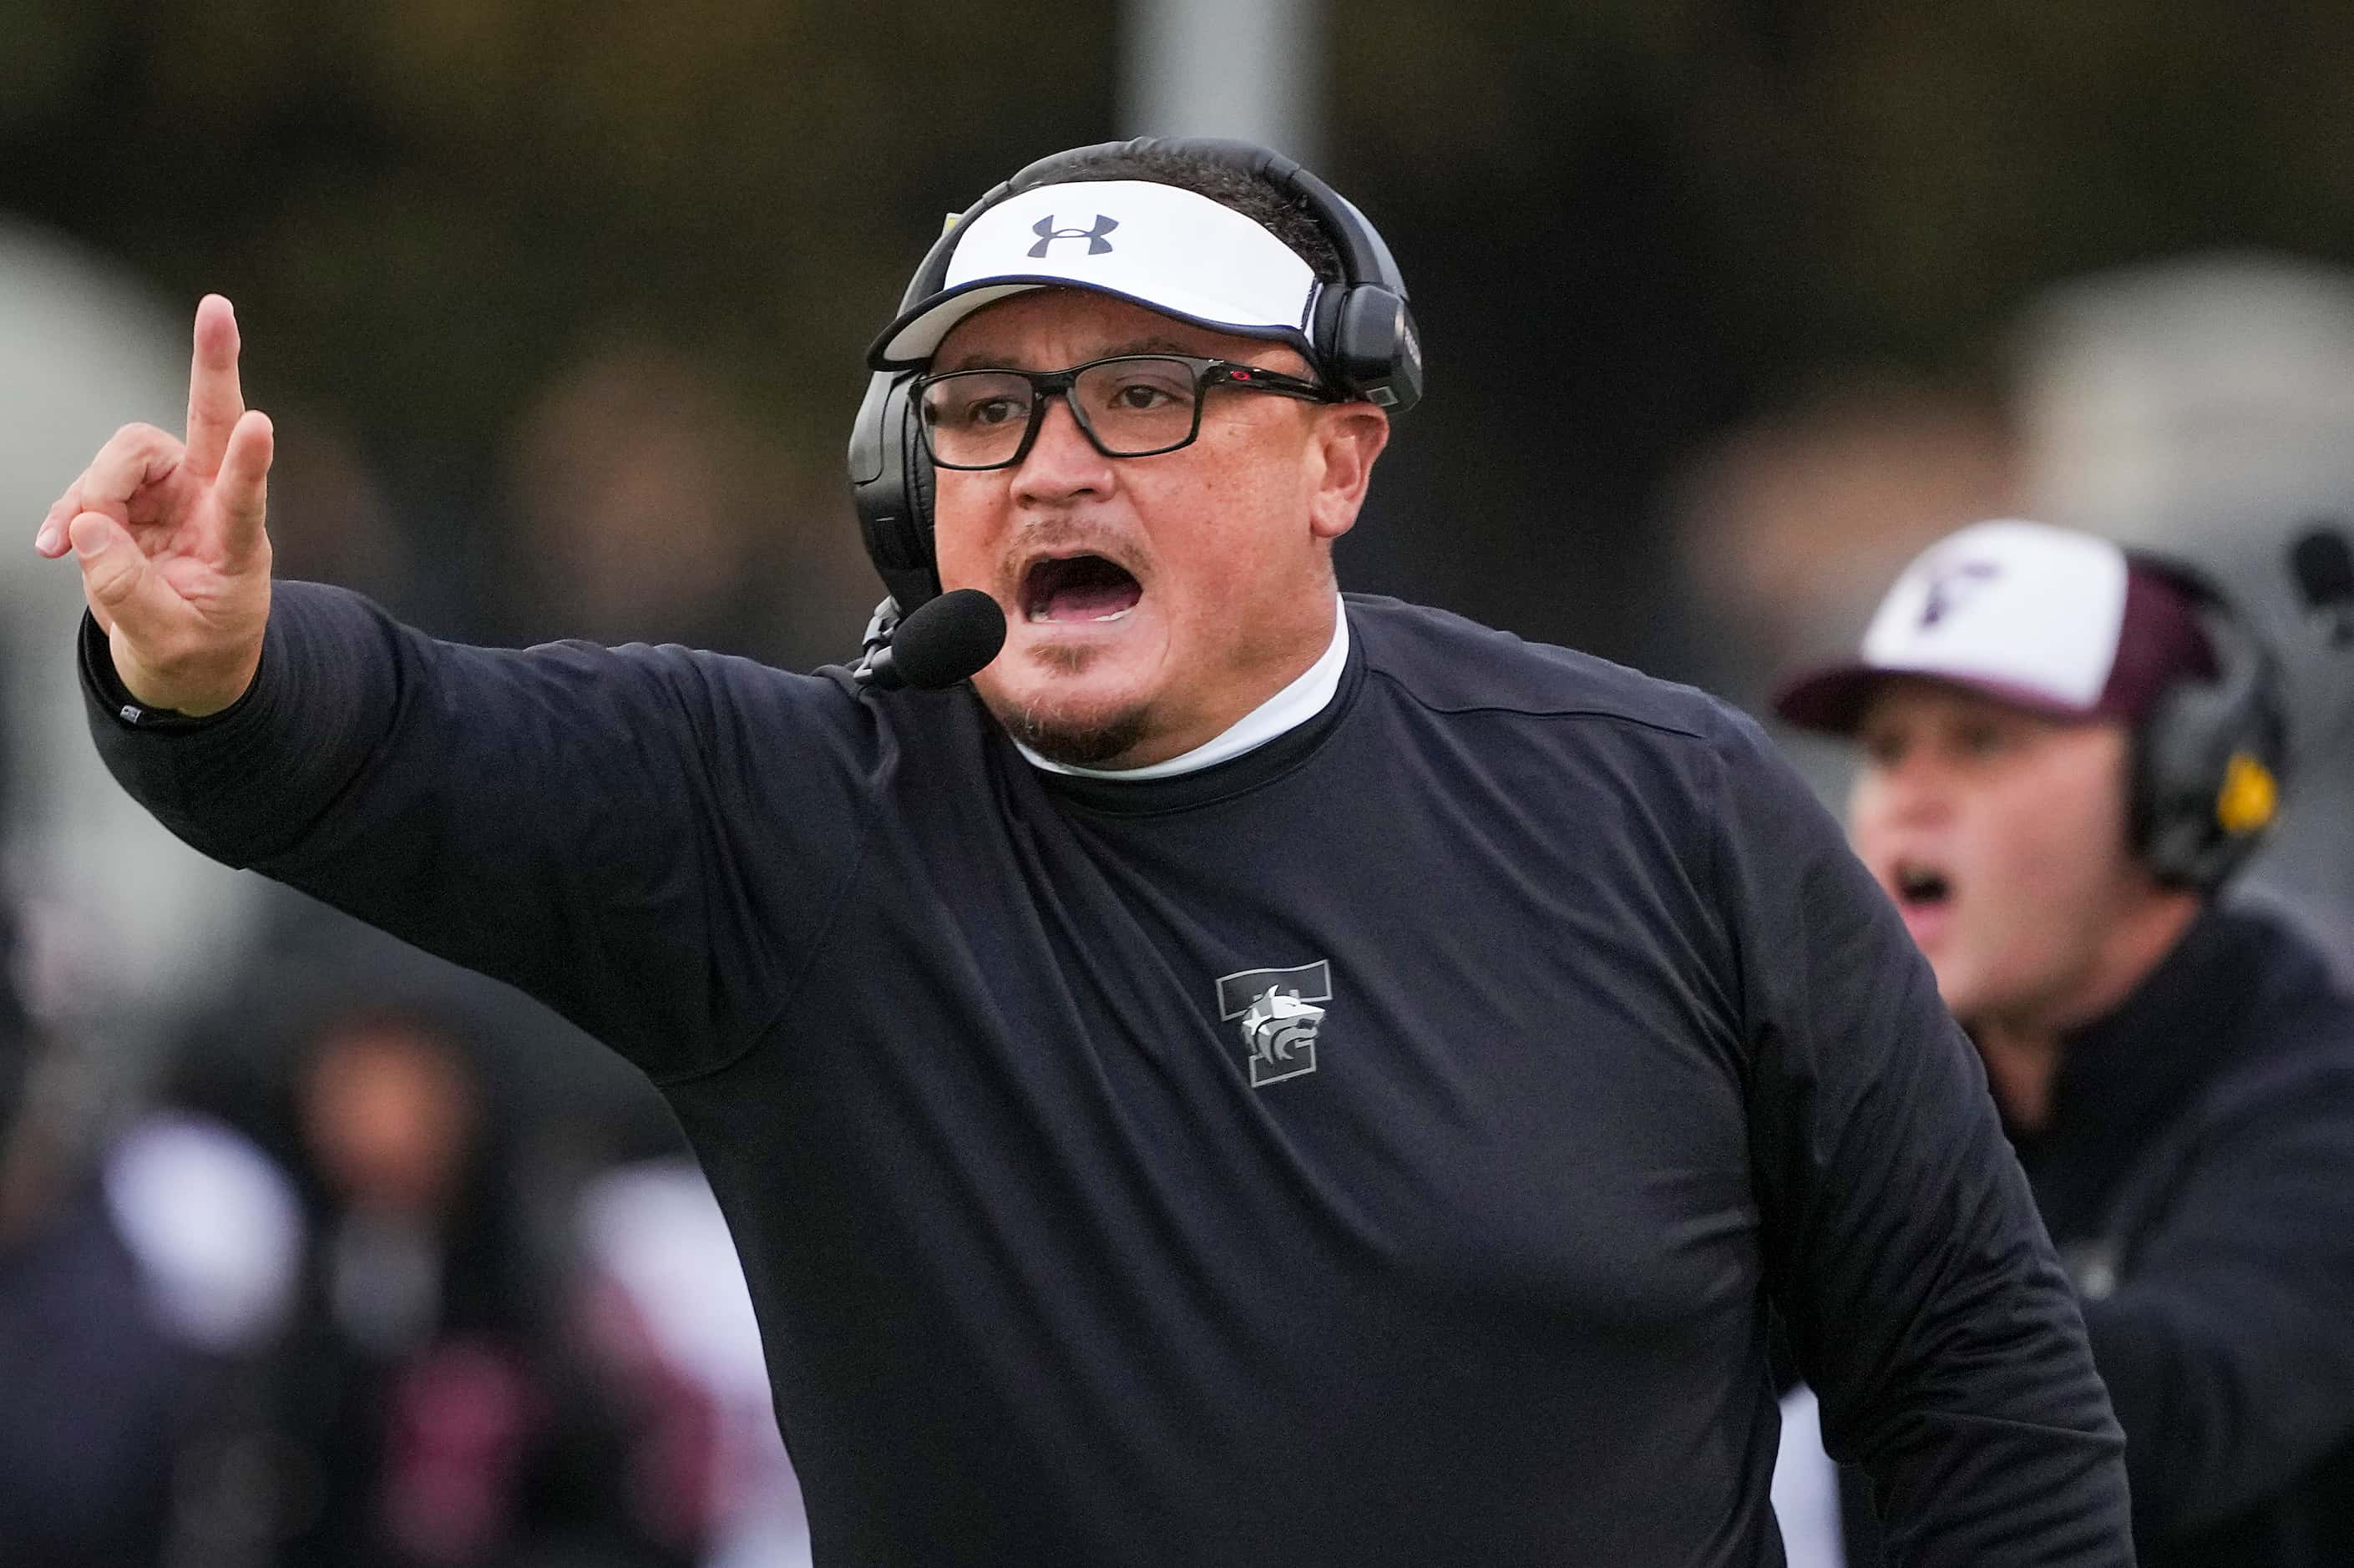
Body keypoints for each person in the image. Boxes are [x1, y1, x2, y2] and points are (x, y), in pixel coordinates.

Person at [33, 138, 2130, 1565]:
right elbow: (404, 740)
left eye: (1137, 396)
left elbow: (1970, 1370)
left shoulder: (1667, 809)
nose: (1042, 464)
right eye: (979, 410)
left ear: (1336, 457)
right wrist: (216, 666)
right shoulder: (787, 833)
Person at [1774, 518, 2354, 1567]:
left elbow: (2187, 1416)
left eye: (1982, 740)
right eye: (1887, 748)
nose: (1910, 793)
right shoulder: (1873, 1081)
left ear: (2180, 788)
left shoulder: (2319, 1084)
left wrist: (1824, 1252)